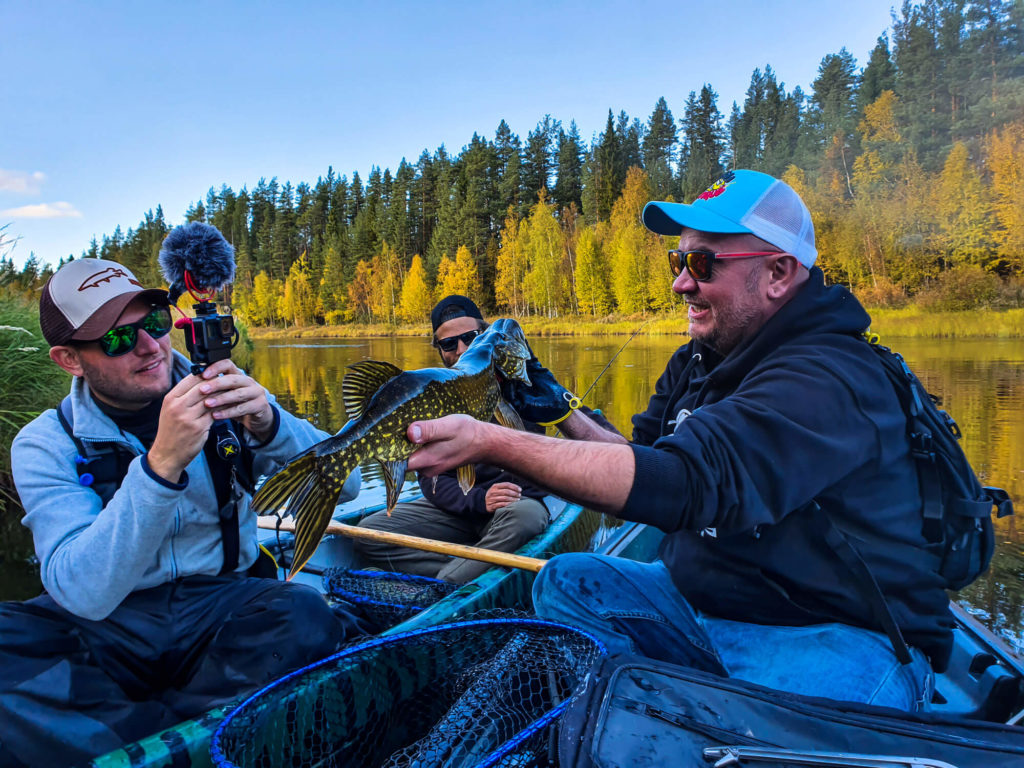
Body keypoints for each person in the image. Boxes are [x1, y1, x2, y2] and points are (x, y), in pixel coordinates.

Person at [402, 170, 952, 712]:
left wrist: (490, 440)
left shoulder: (829, 375)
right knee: (567, 581)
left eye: (701, 263)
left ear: (779, 272)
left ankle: (679, 710)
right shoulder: (697, 360)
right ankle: (656, 703)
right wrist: (559, 406)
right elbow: (639, 463)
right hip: (702, 606)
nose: (680, 283)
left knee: (748, 735)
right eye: (677, 261)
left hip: (834, 636)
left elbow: (686, 481)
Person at [0, 256, 364, 766]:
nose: (149, 347)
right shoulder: (44, 442)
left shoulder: (225, 393)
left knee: (302, 614)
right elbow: (81, 591)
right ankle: (195, 735)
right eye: (117, 339)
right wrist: (161, 465)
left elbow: (348, 483)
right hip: (107, 621)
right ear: (69, 359)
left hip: (220, 602)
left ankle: (126, 737)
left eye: (153, 322)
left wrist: (270, 422)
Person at [354, 295, 550, 583]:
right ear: (440, 350)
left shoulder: (521, 386)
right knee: (369, 532)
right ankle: (466, 571)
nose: (460, 349)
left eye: (470, 337)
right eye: (448, 344)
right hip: (460, 512)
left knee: (528, 519)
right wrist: (479, 500)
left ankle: (442, 584)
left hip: (513, 508)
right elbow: (431, 482)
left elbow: (541, 458)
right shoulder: (434, 397)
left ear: (484, 337)